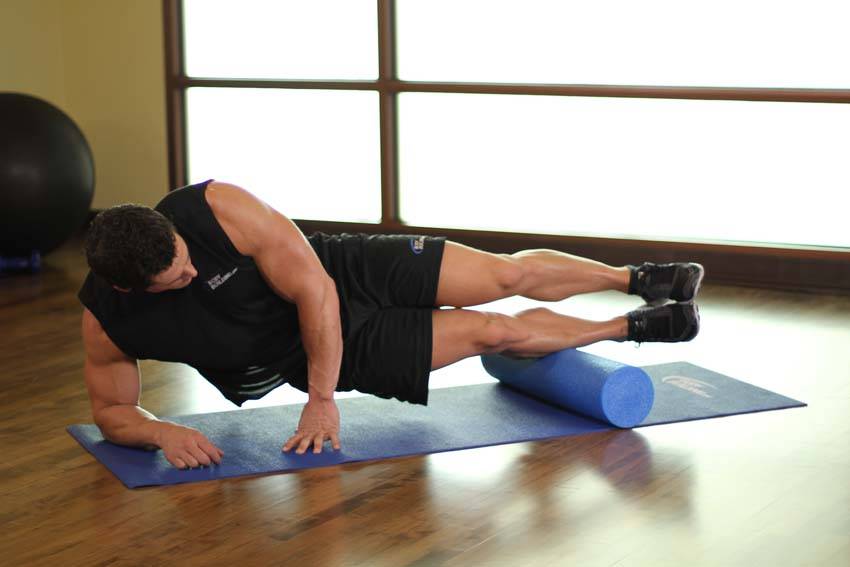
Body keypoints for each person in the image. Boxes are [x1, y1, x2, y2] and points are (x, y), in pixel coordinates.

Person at [79, 179, 703, 469]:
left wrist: (322, 400)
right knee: (492, 332)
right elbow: (111, 411)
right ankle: (635, 325)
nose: (192, 273)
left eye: (187, 259)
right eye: (176, 281)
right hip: (312, 347)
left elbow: (316, 289)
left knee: (502, 274)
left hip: (339, 271)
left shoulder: (218, 207)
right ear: (128, 288)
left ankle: (637, 277)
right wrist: (159, 432)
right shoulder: (110, 319)